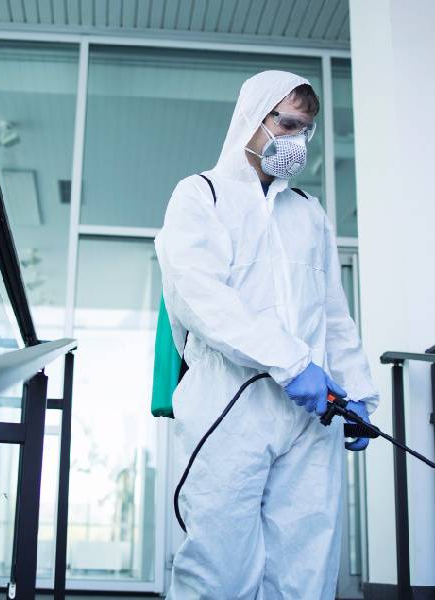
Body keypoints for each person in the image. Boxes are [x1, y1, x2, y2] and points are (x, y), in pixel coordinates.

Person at [154, 70, 380, 598]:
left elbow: (333, 315)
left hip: (311, 412)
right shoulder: (201, 195)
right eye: (289, 125)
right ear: (254, 118)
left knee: (306, 564)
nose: (298, 141)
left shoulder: (308, 213)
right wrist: (291, 362)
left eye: (306, 130)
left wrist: (359, 394)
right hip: (230, 400)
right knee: (220, 564)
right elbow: (201, 298)